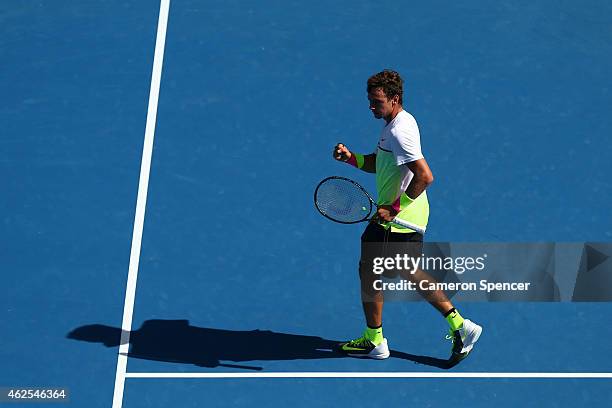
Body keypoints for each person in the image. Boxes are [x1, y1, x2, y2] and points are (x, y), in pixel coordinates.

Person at [333, 69, 482, 362]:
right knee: (392, 271)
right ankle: (456, 325)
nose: (371, 106)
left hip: (398, 220)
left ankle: (381, 340)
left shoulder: (400, 131)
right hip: (403, 218)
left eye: (377, 101)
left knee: (379, 273)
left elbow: (425, 176)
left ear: (394, 99)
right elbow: (382, 163)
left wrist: (393, 208)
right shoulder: (396, 124)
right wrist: (352, 158)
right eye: (370, 101)